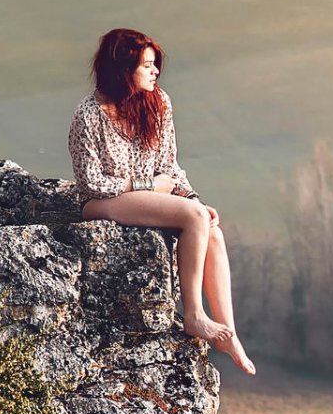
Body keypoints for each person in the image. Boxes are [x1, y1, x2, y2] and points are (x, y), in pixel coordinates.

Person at [67, 28, 255, 375]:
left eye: (156, 65)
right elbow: (91, 182)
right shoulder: (88, 115)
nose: (155, 72)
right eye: (147, 65)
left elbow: (170, 165)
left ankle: (228, 333)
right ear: (123, 69)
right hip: (102, 202)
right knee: (195, 217)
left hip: (146, 195)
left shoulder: (158, 103)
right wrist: (146, 185)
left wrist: (191, 198)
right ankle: (195, 315)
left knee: (211, 229)